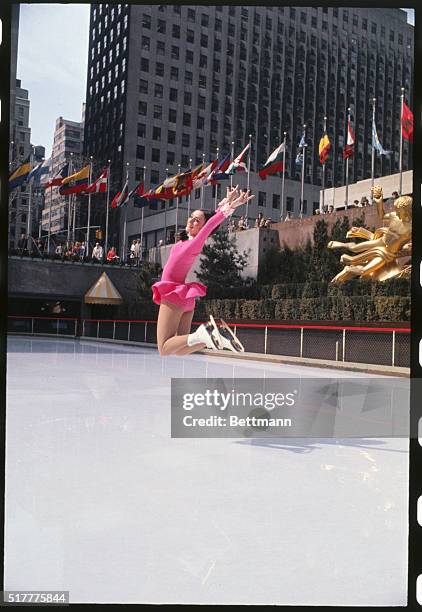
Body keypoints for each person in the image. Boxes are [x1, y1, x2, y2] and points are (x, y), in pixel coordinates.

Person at [152, 186, 254, 356]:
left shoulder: (196, 242)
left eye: (196, 221)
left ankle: (202, 334)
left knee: (164, 348)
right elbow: (210, 219)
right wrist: (224, 203)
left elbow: (211, 223)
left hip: (173, 294)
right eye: (191, 218)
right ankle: (213, 339)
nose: (191, 221)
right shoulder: (185, 241)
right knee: (179, 350)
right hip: (184, 299)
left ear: (202, 228)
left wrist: (230, 207)